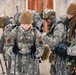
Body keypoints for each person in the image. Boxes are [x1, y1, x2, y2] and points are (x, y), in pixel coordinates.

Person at [4, 10, 44, 75]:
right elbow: (7, 46)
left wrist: (36, 51)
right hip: (17, 65)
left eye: (28, 24)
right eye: (24, 24)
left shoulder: (36, 33)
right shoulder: (14, 32)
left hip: (31, 65)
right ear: (21, 23)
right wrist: (12, 50)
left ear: (31, 23)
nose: (26, 26)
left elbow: (41, 47)